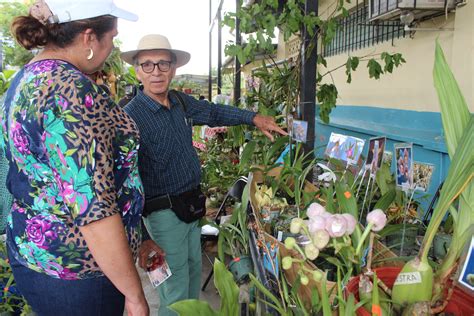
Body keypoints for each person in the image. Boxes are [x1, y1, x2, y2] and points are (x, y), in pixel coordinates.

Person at [120, 34, 287, 315]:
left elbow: (213, 112)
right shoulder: (129, 117)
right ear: (137, 70)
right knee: (174, 292)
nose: (156, 72)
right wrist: (139, 236)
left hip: (191, 208)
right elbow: (123, 181)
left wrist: (254, 118)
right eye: (147, 65)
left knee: (192, 282)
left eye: (163, 64)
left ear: (173, 68)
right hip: (162, 216)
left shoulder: (179, 102)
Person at [0, 1, 149, 315]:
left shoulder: (28, 77)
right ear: (89, 38)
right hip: (78, 273)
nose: (111, 47)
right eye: (111, 38)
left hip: (37, 255)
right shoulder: (73, 91)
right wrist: (133, 293)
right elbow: (92, 208)